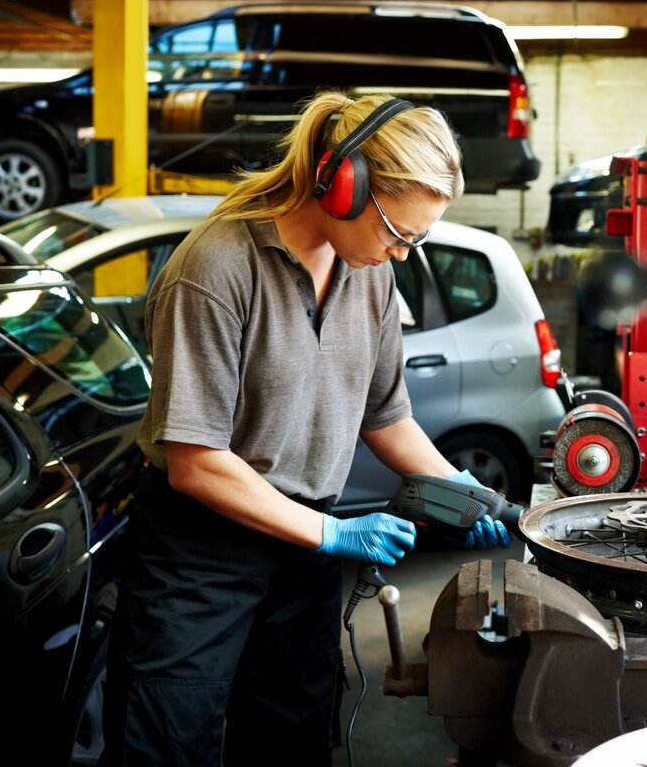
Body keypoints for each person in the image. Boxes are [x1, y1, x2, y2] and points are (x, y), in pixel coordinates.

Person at [102, 92, 511, 767]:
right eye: (396, 232)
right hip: (200, 556)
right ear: (342, 183)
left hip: (303, 551)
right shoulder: (216, 268)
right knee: (168, 742)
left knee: (291, 738)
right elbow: (195, 462)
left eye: (416, 240)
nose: (400, 253)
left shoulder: (370, 278)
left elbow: (386, 416)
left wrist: (466, 493)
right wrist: (332, 533)